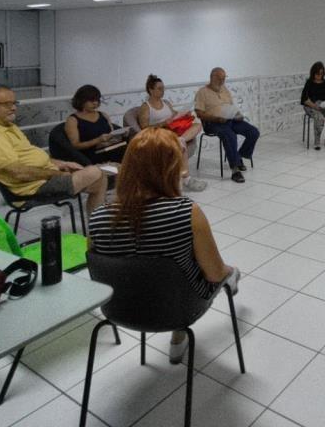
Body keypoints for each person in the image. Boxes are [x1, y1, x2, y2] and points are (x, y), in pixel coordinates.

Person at [87, 127, 239, 364]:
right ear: (172, 167)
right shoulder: (186, 213)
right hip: (179, 309)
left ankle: (179, 337)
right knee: (223, 273)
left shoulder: (97, 218)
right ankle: (179, 335)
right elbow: (214, 274)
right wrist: (229, 273)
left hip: (120, 310)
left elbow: (102, 273)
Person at [0, 84, 107, 214]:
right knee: (95, 172)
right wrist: (58, 174)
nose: (13, 108)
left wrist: (63, 164)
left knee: (100, 179)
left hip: (42, 178)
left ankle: (96, 226)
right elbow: (19, 173)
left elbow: (31, 158)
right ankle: (97, 226)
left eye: (14, 103)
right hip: (32, 188)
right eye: (7, 104)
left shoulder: (8, 126)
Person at [139, 74, 207, 192]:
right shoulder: (146, 107)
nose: (163, 91)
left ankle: (181, 139)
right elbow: (144, 128)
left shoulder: (166, 103)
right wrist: (163, 123)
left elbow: (175, 114)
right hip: (160, 134)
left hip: (173, 131)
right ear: (151, 90)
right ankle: (186, 178)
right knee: (181, 144)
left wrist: (184, 114)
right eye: (159, 88)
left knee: (198, 124)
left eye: (163, 88)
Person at [194, 67, 260, 184]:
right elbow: (199, 113)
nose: (222, 81)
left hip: (230, 120)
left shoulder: (224, 89)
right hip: (213, 122)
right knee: (230, 136)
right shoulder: (202, 92)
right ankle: (235, 170)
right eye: (220, 78)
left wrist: (238, 115)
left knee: (253, 132)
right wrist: (216, 118)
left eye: (224, 78)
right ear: (212, 77)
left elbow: (231, 107)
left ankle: (239, 156)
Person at [64, 84, 126, 165]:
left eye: (97, 100)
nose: (95, 103)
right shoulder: (72, 120)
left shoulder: (103, 115)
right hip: (91, 154)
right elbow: (76, 145)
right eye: (91, 100)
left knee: (130, 148)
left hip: (108, 148)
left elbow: (111, 133)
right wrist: (97, 140)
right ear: (82, 100)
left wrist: (120, 135)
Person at [300, 61, 325, 150]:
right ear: (313, 73)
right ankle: (317, 142)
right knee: (319, 118)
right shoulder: (309, 83)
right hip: (311, 106)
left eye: (321, 74)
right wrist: (315, 106)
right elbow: (304, 99)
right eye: (317, 74)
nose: (319, 76)